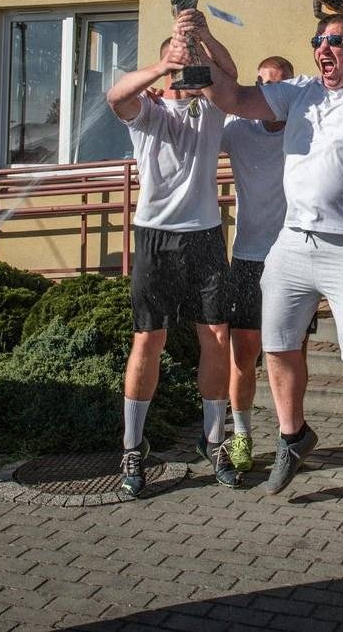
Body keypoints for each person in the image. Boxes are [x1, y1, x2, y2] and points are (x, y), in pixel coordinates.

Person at [194, 10, 343, 525]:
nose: (324, 49)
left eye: (336, 41)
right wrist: (198, 41)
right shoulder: (297, 92)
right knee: (276, 348)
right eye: (317, 41)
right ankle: (293, 436)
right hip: (293, 244)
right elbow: (231, 98)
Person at [109, 35, 234, 494]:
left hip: (203, 233)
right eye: (184, 58)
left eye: (193, 59)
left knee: (217, 336)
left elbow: (232, 75)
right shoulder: (149, 110)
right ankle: (132, 446)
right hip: (155, 236)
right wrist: (162, 65)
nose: (190, 65)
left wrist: (202, 35)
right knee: (149, 339)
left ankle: (215, 438)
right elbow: (115, 96)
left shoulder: (211, 104)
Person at [220, 55, 295, 476]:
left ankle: (291, 436)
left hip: (293, 257)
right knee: (243, 354)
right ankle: (242, 434)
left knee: (290, 356)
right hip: (248, 256)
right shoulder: (238, 129)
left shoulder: (305, 123)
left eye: (278, 85)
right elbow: (192, 135)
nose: (270, 93)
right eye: (263, 84)